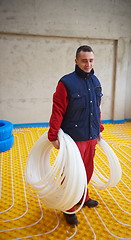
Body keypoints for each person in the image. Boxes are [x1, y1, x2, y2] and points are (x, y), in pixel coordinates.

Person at [48, 45, 104, 225]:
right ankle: (68, 206)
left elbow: (97, 108)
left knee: (87, 170)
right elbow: (58, 110)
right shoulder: (66, 83)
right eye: (84, 60)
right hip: (73, 138)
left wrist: (99, 129)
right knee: (71, 173)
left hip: (90, 136)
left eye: (91, 60)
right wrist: (53, 135)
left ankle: (83, 196)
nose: (88, 64)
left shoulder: (95, 81)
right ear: (76, 61)